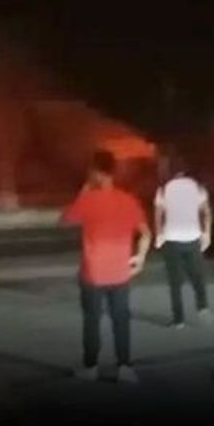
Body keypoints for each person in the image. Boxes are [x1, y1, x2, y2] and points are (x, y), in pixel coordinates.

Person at [61, 151, 151, 383]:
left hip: (93, 273)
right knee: (121, 320)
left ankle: (91, 367)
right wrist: (139, 258)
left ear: (96, 172)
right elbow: (146, 233)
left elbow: (65, 220)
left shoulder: (88, 200)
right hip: (120, 273)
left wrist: (84, 190)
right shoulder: (128, 200)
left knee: (92, 321)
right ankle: (125, 367)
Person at [154, 154, 213, 329]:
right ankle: (202, 306)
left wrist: (159, 234)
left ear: (170, 170)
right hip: (192, 237)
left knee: (175, 282)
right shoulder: (197, 187)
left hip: (171, 239)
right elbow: (207, 212)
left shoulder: (164, 189)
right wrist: (207, 234)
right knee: (198, 275)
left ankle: (178, 320)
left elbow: (158, 214)